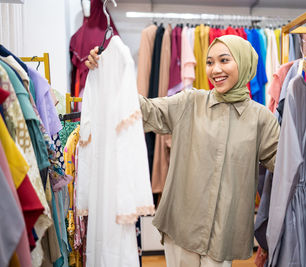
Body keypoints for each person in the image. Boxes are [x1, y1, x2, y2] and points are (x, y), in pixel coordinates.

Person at [85, 35, 280, 267]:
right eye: (209, 62)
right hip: (182, 227)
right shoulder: (191, 102)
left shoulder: (261, 119)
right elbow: (145, 110)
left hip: (223, 233)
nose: (215, 69)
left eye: (224, 60)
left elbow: (285, 165)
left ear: (244, 62)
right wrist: (109, 72)